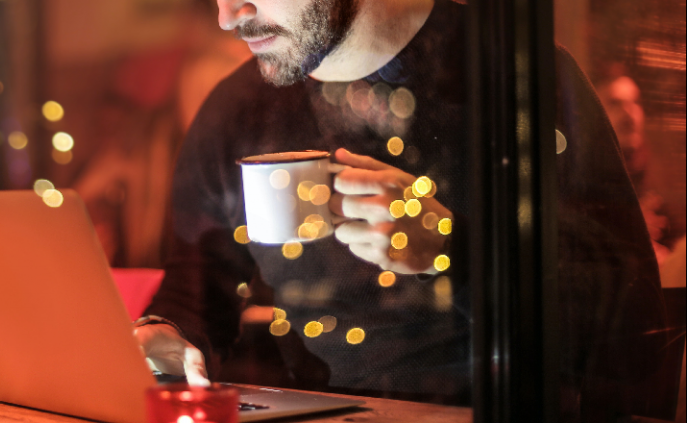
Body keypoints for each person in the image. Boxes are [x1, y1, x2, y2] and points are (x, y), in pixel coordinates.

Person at [134, 0, 665, 419]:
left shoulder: (518, 76)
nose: (228, 15)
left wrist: (452, 252)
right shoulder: (236, 108)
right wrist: (165, 336)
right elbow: (196, 294)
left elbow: (631, 330)